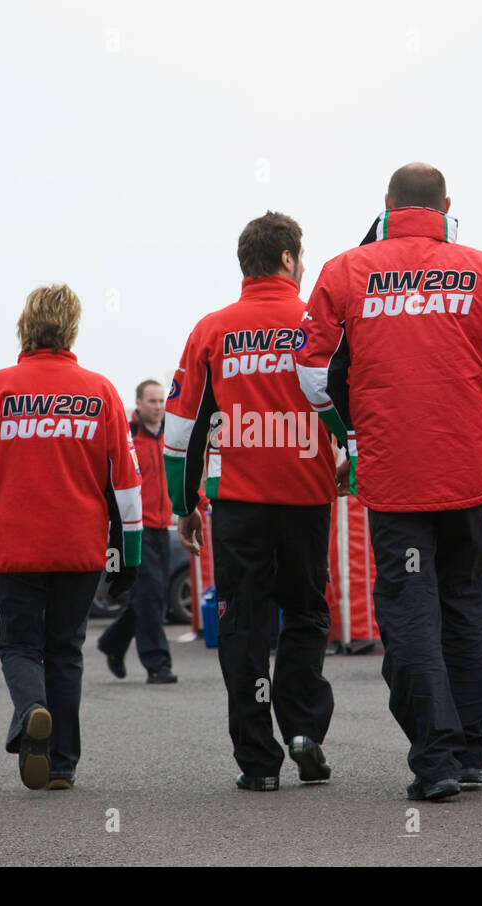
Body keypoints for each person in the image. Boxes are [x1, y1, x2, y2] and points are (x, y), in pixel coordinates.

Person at [297, 164, 482, 801]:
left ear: (386, 204)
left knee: (409, 617)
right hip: (466, 474)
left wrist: (350, 435)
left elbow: (313, 375)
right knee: (462, 608)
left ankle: (434, 759)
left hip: (392, 475)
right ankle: (469, 752)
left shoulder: (344, 271)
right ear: (447, 206)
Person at [165, 211, 339, 792]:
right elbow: (353, 404)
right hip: (307, 496)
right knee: (308, 613)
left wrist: (183, 502)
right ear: (289, 259)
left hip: (237, 504)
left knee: (243, 623)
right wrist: (356, 460)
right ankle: (303, 728)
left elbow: (180, 429)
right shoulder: (318, 322)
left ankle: (258, 762)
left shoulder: (212, 330)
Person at [0, 283, 142, 791]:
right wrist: (130, 557)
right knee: (66, 650)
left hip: (19, 547)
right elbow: (125, 480)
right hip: (81, 548)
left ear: (24, 326)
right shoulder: (101, 392)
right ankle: (61, 765)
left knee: (18, 644)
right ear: (72, 328)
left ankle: (31, 711)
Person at [97, 379, 177, 684]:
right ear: (139, 404)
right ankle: (158, 664)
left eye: (161, 401)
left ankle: (112, 643)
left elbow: (184, 472)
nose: (158, 407)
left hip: (163, 527)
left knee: (147, 597)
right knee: (152, 596)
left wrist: (200, 501)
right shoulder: (127, 437)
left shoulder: (172, 434)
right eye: (152, 401)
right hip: (134, 529)